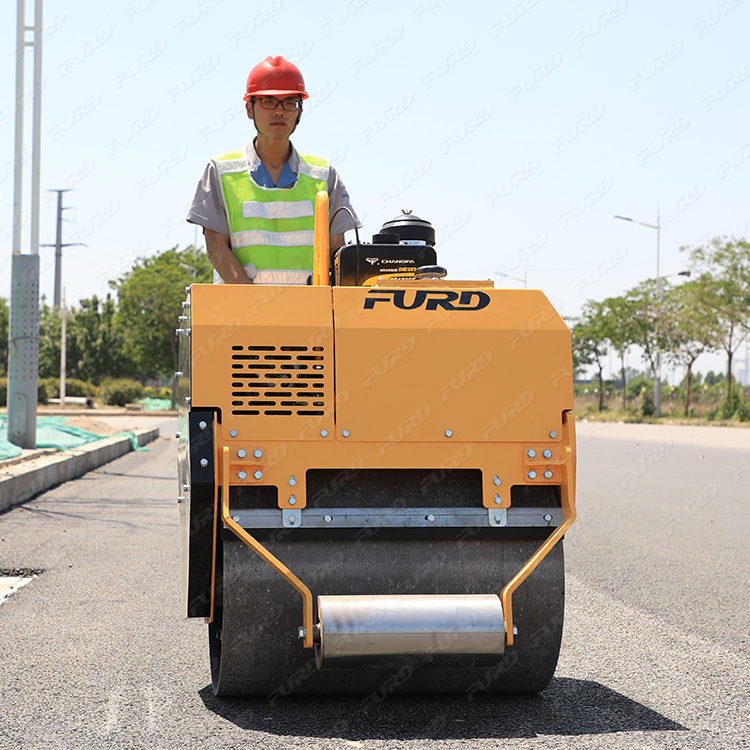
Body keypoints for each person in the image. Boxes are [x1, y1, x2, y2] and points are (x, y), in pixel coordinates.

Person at [187, 55, 360, 284]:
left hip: (310, 315)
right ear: (250, 108)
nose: (279, 111)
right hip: (241, 316)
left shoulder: (325, 175)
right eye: (269, 101)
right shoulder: (220, 172)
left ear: (299, 110)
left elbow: (337, 250)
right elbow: (216, 247)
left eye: (289, 102)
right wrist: (255, 306)